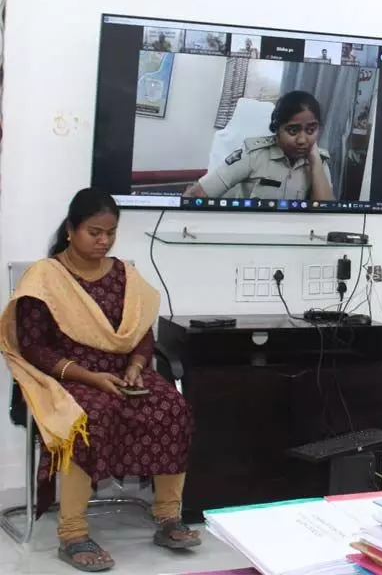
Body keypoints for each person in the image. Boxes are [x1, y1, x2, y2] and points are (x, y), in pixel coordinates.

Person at [0, 188, 199, 572]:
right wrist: (89, 376)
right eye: (94, 232)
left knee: (172, 406)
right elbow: (34, 348)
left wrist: (137, 366)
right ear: (71, 230)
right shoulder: (44, 277)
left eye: (110, 232)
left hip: (122, 373)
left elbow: (141, 333)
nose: (103, 240)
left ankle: (168, 517)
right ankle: (72, 534)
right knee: (87, 418)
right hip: (65, 376)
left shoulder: (125, 274)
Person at [182, 90, 334, 201]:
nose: (302, 140)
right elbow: (195, 195)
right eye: (293, 130)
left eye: (311, 130)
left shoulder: (319, 162)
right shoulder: (253, 155)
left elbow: (325, 216)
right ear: (277, 129)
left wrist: (315, 161)